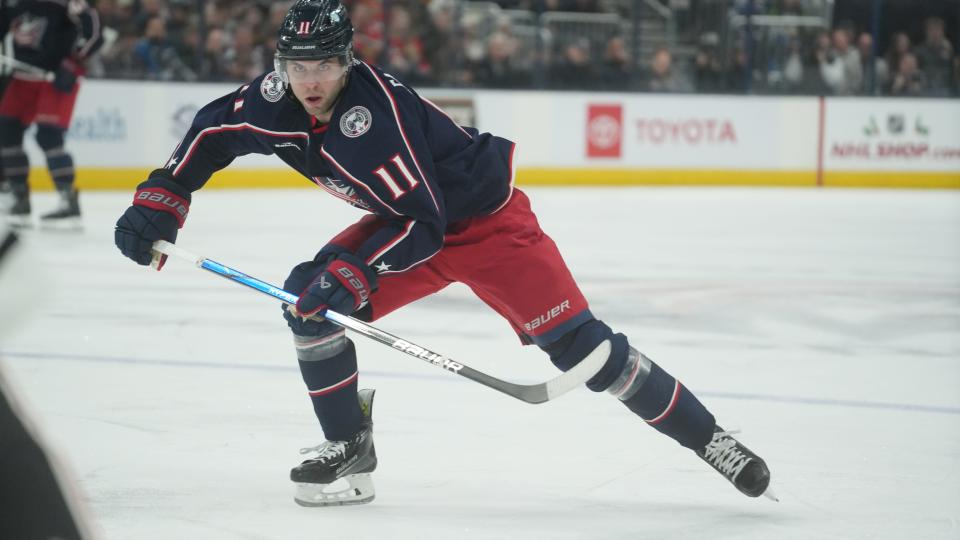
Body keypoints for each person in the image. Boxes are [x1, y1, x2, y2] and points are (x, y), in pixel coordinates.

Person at [114, 0, 773, 507]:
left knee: (587, 353)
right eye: (297, 67)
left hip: (485, 227)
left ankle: (709, 437)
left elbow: (425, 226)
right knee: (308, 304)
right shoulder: (275, 97)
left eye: (323, 67)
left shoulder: (375, 125)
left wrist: (352, 271)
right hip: (407, 218)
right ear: (280, 65)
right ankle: (350, 447)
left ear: (349, 63)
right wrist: (162, 196)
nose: (309, 82)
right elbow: (212, 130)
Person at [0, 0, 103, 230]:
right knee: (6, 131)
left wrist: (74, 62)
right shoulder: (12, 3)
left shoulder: (66, 3)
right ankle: (19, 199)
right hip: (22, 77)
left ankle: (68, 202)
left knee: (48, 137)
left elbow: (94, 32)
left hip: (54, 78)